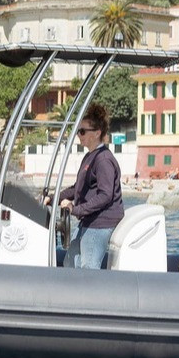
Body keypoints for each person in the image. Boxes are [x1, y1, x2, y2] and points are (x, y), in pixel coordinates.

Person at [57, 104, 123, 268]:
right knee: (70, 263)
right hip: (88, 221)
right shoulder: (90, 157)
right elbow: (78, 188)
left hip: (100, 223)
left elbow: (105, 195)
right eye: (79, 131)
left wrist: (76, 209)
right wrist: (53, 198)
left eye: (82, 131)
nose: (79, 135)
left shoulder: (103, 160)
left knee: (88, 269)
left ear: (97, 133)